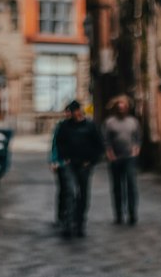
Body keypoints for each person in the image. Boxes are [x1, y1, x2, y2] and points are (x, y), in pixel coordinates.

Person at [53, 99, 105, 237]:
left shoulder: (90, 126)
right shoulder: (65, 126)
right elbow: (59, 143)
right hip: (69, 165)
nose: (73, 114)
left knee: (83, 194)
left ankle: (80, 223)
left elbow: (99, 146)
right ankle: (68, 223)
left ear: (79, 111)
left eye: (74, 111)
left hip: (85, 166)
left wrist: (91, 161)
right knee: (70, 192)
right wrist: (64, 158)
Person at [103, 94, 142, 225]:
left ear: (127, 107)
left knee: (131, 186)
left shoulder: (133, 122)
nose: (121, 106)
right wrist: (110, 154)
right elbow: (106, 141)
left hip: (129, 158)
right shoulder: (110, 122)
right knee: (117, 188)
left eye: (123, 104)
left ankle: (132, 213)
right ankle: (119, 214)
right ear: (116, 107)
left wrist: (136, 149)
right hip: (115, 159)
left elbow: (138, 138)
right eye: (119, 104)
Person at [50, 104, 72, 227]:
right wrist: (54, 161)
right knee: (63, 190)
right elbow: (55, 144)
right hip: (61, 163)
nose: (68, 114)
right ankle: (61, 215)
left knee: (70, 190)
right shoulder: (61, 126)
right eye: (67, 112)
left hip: (74, 163)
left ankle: (70, 215)